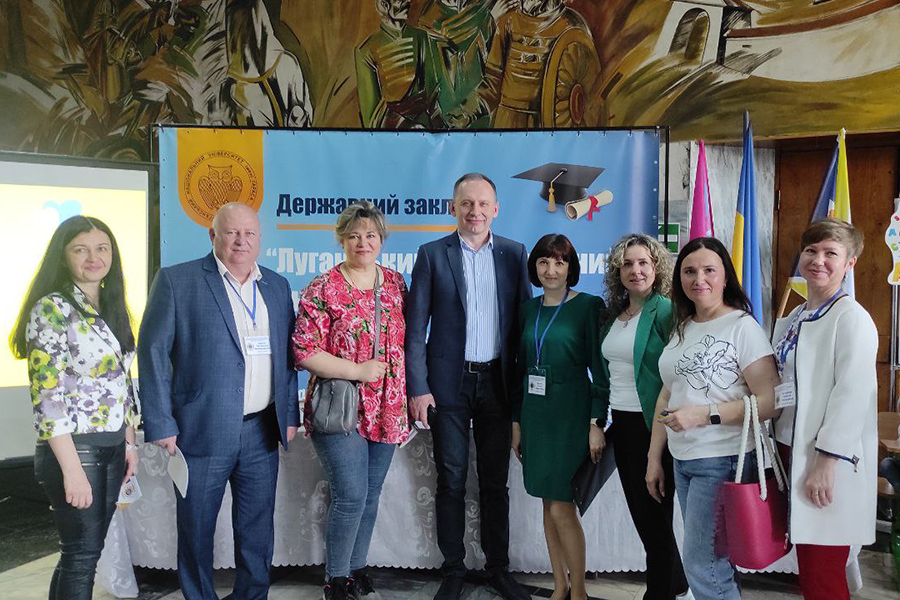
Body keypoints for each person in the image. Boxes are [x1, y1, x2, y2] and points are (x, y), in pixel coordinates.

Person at [138, 202, 300, 600]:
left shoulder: (276, 286)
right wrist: (161, 421)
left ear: (260, 239)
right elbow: (152, 352)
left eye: (249, 233)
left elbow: (288, 357)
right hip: (199, 430)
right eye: (231, 232)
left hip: (261, 430)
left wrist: (289, 415)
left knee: (257, 530)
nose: (241, 241)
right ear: (213, 236)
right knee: (196, 528)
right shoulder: (178, 281)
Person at [405, 173, 532, 600]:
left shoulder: (514, 254)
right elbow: (415, 330)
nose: (474, 211)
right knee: (451, 479)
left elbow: (524, 325)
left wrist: (524, 391)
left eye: (482, 204)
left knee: (496, 482)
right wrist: (418, 387)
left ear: (496, 209)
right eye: (466, 204)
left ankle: (499, 568)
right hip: (447, 386)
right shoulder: (431, 255)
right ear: (452, 208)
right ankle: (454, 569)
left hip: (498, 383)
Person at [10, 215, 139, 600]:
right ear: (63, 257)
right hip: (76, 450)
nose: (93, 258)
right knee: (81, 556)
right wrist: (72, 471)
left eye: (102, 248)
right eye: (80, 250)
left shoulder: (111, 304)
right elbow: (47, 398)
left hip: (112, 445)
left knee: (83, 555)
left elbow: (122, 382)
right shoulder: (52, 308)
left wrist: (129, 442)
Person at [647, 236, 779, 600]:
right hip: (683, 460)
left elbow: (770, 402)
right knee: (714, 563)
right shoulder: (683, 326)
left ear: (725, 276)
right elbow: (667, 393)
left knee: (702, 566)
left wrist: (706, 415)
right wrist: (654, 457)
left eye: (709, 270)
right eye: (689, 271)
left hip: (723, 460)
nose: (699, 279)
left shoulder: (741, 326)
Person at [293, 201, 411, 600]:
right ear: (341, 239)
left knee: (371, 495)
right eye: (354, 235)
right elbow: (304, 350)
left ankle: (358, 567)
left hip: (388, 405)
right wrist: (358, 371)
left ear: (382, 240)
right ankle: (336, 578)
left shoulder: (395, 284)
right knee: (351, 496)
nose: (363, 242)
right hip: (339, 406)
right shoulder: (323, 287)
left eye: (371, 235)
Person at [771, 219, 878, 600]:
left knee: (823, 573)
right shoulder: (794, 318)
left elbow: (852, 395)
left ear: (850, 263)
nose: (818, 260)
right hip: (788, 450)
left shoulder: (851, 319)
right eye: (811, 251)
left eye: (831, 253)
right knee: (808, 569)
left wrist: (826, 461)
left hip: (826, 460)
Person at [596, 234, 689, 600]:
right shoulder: (614, 317)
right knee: (642, 516)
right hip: (622, 424)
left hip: (655, 427)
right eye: (628, 264)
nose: (636, 270)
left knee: (654, 519)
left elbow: (678, 372)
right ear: (617, 272)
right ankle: (677, 583)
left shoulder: (665, 310)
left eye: (643, 263)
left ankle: (660, 593)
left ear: (656, 268)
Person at [511, 233, 603, 600]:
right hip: (535, 415)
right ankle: (559, 585)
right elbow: (519, 370)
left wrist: (596, 422)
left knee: (563, 505)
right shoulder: (527, 309)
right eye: (544, 262)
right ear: (534, 266)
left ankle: (578, 591)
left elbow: (600, 371)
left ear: (570, 268)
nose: (551, 270)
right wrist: (516, 422)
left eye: (559, 263)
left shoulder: (589, 306)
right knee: (547, 503)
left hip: (570, 413)